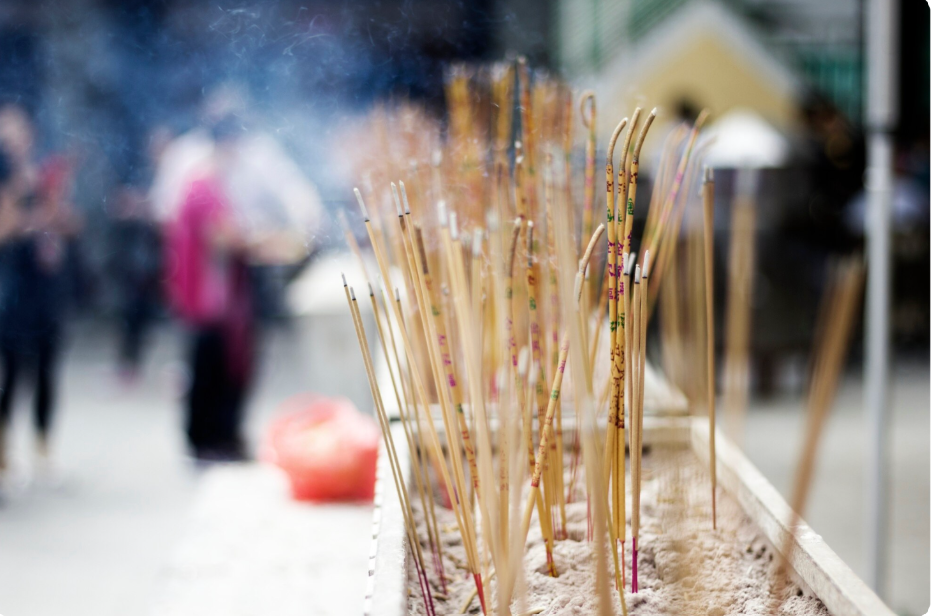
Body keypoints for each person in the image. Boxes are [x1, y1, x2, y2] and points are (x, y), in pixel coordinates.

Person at [165, 118, 255, 462]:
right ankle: (207, 440)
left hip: (208, 298)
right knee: (209, 371)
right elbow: (222, 235)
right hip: (206, 299)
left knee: (213, 368)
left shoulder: (205, 183)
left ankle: (214, 437)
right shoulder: (204, 185)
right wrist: (254, 238)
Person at [0, 105, 80, 478]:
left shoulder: (44, 177)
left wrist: (56, 211)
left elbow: (70, 224)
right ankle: (4, 454)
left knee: (47, 369)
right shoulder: (10, 182)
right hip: (11, 288)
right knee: (12, 372)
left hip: (45, 286)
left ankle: (43, 447)